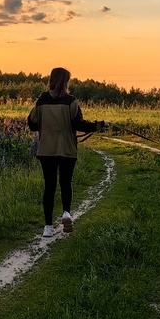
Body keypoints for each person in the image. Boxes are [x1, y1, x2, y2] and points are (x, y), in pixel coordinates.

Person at [27, 67, 109, 238]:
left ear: (51, 79)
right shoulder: (71, 101)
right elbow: (79, 125)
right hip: (67, 149)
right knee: (66, 182)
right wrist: (100, 125)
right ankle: (66, 213)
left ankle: (48, 227)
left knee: (49, 186)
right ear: (66, 81)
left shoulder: (41, 100)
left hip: (47, 150)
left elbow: (32, 124)